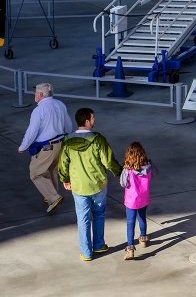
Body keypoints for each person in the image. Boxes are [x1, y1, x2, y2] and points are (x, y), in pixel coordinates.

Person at [58, 108, 122, 261]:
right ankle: (99, 245)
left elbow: (63, 163)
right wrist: (119, 172)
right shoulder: (98, 139)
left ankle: (86, 252)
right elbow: (108, 161)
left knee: (83, 219)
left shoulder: (67, 141)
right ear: (87, 121)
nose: (94, 120)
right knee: (99, 214)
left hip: (79, 187)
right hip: (98, 184)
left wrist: (65, 179)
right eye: (93, 118)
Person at [18, 83, 72, 213]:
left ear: (40, 95)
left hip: (46, 147)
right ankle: (50, 195)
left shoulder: (39, 110)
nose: (35, 95)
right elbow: (68, 126)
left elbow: (32, 132)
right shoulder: (60, 104)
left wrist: (23, 147)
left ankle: (53, 198)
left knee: (35, 173)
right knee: (51, 169)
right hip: (59, 143)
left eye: (36, 93)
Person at [119, 141, 155, 260]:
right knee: (142, 218)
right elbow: (155, 173)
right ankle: (143, 238)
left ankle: (130, 248)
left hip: (131, 200)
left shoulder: (127, 170)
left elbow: (123, 183)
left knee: (130, 223)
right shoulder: (148, 166)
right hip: (143, 198)